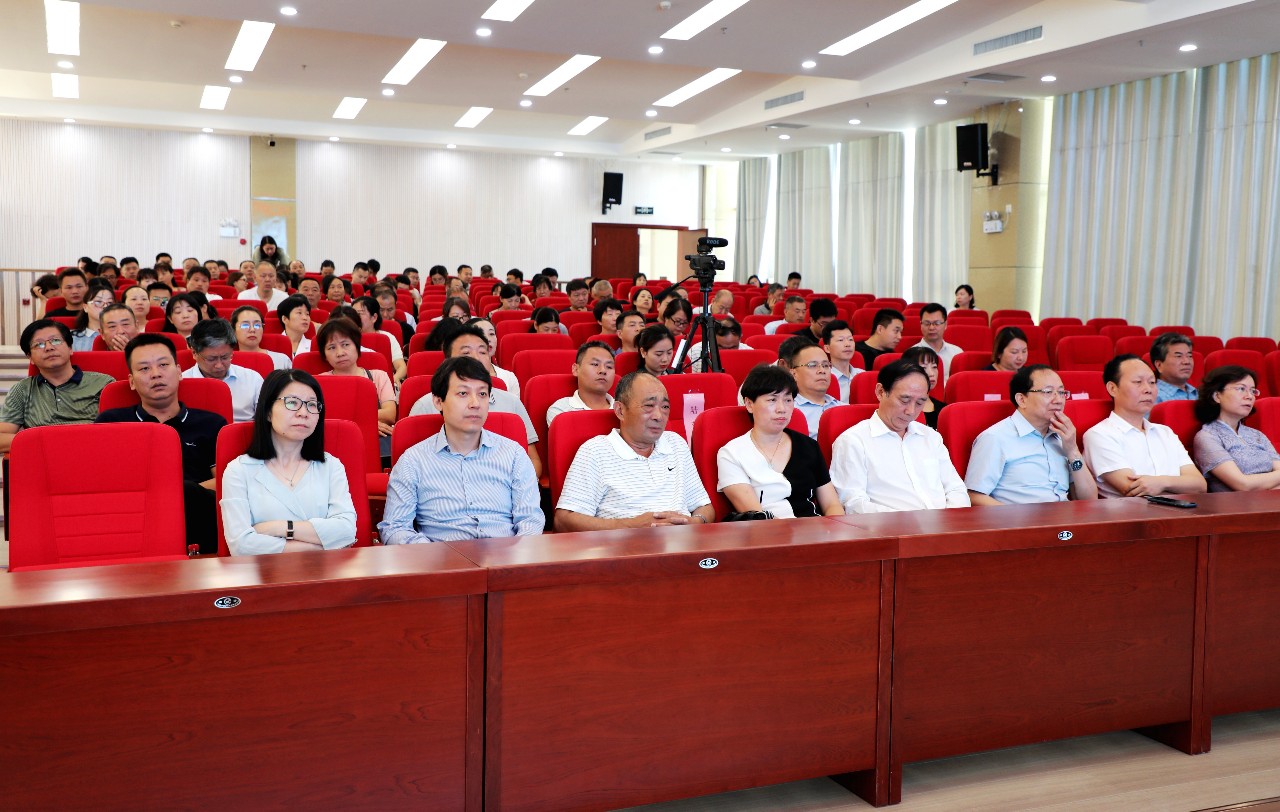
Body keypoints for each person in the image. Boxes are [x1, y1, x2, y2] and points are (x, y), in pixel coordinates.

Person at [381, 356, 543, 543]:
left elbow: (530, 519)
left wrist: (517, 555)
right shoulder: (413, 461)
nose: (475, 403)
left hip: (505, 554)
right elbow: (395, 528)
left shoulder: (513, 454)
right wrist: (430, 553)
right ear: (438, 401)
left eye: (482, 394)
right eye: (463, 393)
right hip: (441, 556)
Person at [97, 334, 226, 553]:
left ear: (179, 372)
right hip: (132, 515)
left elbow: (225, 482)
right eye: (144, 369)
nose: (156, 374)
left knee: (190, 493)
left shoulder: (212, 423)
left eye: (163, 365)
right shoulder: (111, 423)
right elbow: (101, 484)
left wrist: (175, 493)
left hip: (195, 514)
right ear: (131, 381)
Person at [220, 370, 358, 555]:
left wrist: (278, 528)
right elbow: (241, 546)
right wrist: (322, 546)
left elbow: (347, 531)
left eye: (312, 404)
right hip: (264, 572)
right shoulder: (239, 470)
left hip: (326, 571)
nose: (304, 413)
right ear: (268, 412)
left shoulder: (331, 466)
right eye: (292, 403)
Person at [555, 371, 714, 531]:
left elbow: (704, 507)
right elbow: (563, 521)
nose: (659, 416)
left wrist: (695, 523)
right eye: (649, 406)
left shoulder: (676, 443)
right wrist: (632, 526)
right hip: (626, 545)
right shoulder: (595, 451)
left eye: (665, 407)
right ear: (620, 410)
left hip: (683, 542)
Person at [830, 360, 970, 513]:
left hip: (945, 523)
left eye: (920, 403)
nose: (911, 411)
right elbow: (853, 504)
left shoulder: (931, 437)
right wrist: (910, 521)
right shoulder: (853, 441)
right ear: (881, 392)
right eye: (904, 400)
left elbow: (956, 489)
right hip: (890, 526)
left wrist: (951, 519)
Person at [411, 325, 541, 478]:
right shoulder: (426, 405)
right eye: (466, 353)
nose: (476, 358)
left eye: (482, 352)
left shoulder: (511, 402)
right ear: (448, 361)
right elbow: (415, 461)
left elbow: (532, 459)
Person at [719, 365, 844, 518]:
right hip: (767, 531)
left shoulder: (808, 445)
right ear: (749, 404)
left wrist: (836, 528)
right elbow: (758, 516)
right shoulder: (731, 454)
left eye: (788, 400)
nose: (782, 409)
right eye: (772, 400)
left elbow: (832, 504)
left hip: (815, 527)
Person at [965, 365, 1098, 505]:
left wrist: (1073, 451)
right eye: (1048, 392)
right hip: (1019, 517)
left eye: (1061, 392)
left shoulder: (1062, 437)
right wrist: (1015, 517)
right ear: (1022, 400)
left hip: (1066, 516)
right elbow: (974, 496)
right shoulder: (995, 438)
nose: (1059, 400)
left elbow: (1089, 500)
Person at [1083, 354, 1208, 499]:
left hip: (1182, 511)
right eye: (1138, 382)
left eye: (1152, 382)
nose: (1148, 389)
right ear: (1113, 388)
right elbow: (1132, 490)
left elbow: (1200, 485)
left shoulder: (1165, 432)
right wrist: (1180, 487)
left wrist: (1161, 482)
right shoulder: (1100, 435)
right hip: (1132, 513)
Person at [0, 320, 114, 452]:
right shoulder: (22, 390)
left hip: (92, 452)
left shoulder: (103, 383)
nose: (49, 347)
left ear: (70, 348)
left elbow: (117, 432)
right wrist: (48, 441)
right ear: (30, 358)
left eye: (55, 341)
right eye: (39, 344)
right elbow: (2, 438)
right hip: (42, 457)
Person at [1192, 366, 1280, 492]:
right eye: (1241, 389)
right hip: (1237, 502)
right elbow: (1242, 484)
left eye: (1253, 391)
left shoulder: (1257, 435)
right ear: (1217, 396)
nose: (1249, 396)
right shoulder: (1207, 436)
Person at [317, 318, 397, 452]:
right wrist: (367, 424)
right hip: (332, 442)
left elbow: (389, 414)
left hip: (374, 442)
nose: (340, 353)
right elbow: (318, 419)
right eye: (331, 347)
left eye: (345, 344)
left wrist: (345, 419)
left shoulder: (378, 376)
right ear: (324, 354)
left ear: (357, 346)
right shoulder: (319, 382)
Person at [181, 318, 264, 422]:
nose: (219, 365)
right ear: (194, 353)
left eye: (225, 357)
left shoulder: (252, 379)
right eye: (211, 359)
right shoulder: (181, 383)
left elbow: (265, 421)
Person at [778, 336, 839, 439]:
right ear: (793, 373)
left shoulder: (844, 408)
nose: (822, 370)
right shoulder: (786, 411)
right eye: (812, 365)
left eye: (825, 365)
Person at [546, 342, 616, 425]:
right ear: (576, 369)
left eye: (609, 367)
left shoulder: (624, 409)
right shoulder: (561, 411)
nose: (603, 370)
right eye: (595, 364)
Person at [352, 296, 407, 382]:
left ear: (374, 317)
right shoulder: (346, 339)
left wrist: (394, 379)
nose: (353, 318)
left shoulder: (387, 338)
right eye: (352, 314)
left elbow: (401, 367)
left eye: (359, 314)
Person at [467, 317, 521, 398]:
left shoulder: (509, 377)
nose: (487, 339)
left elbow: (514, 406)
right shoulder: (454, 376)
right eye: (480, 334)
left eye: (491, 334)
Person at [232, 305, 291, 370]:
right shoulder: (227, 362)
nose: (252, 330)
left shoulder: (282, 360)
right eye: (245, 325)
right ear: (234, 330)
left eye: (257, 325)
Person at [900, 346, 946, 429]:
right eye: (923, 367)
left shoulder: (944, 409)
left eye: (934, 367)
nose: (931, 373)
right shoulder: (899, 408)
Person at [914, 303, 962, 378]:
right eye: (927, 323)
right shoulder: (912, 354)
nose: (931, 328)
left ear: (945, 324)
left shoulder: (957, 353)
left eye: (937, 323)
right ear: (921, 325)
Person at [823, 320, 864, 403]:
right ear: (827, 348)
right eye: (840, 340)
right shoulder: (824, 378)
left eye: (850, 339)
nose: (847, 344)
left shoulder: (862, 375)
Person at [1151, 332, 1198, 402]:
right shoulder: (1153, 397)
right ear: (1159, 365)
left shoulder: (1198, 394)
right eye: (1178, 356)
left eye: (1189, 356)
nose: (1187, 361)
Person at [71, 284, 115, 350]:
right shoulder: (72, 337)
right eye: (98, 302)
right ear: (85, 307)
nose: (105, 306)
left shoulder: (122, 334)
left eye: (110, 303)